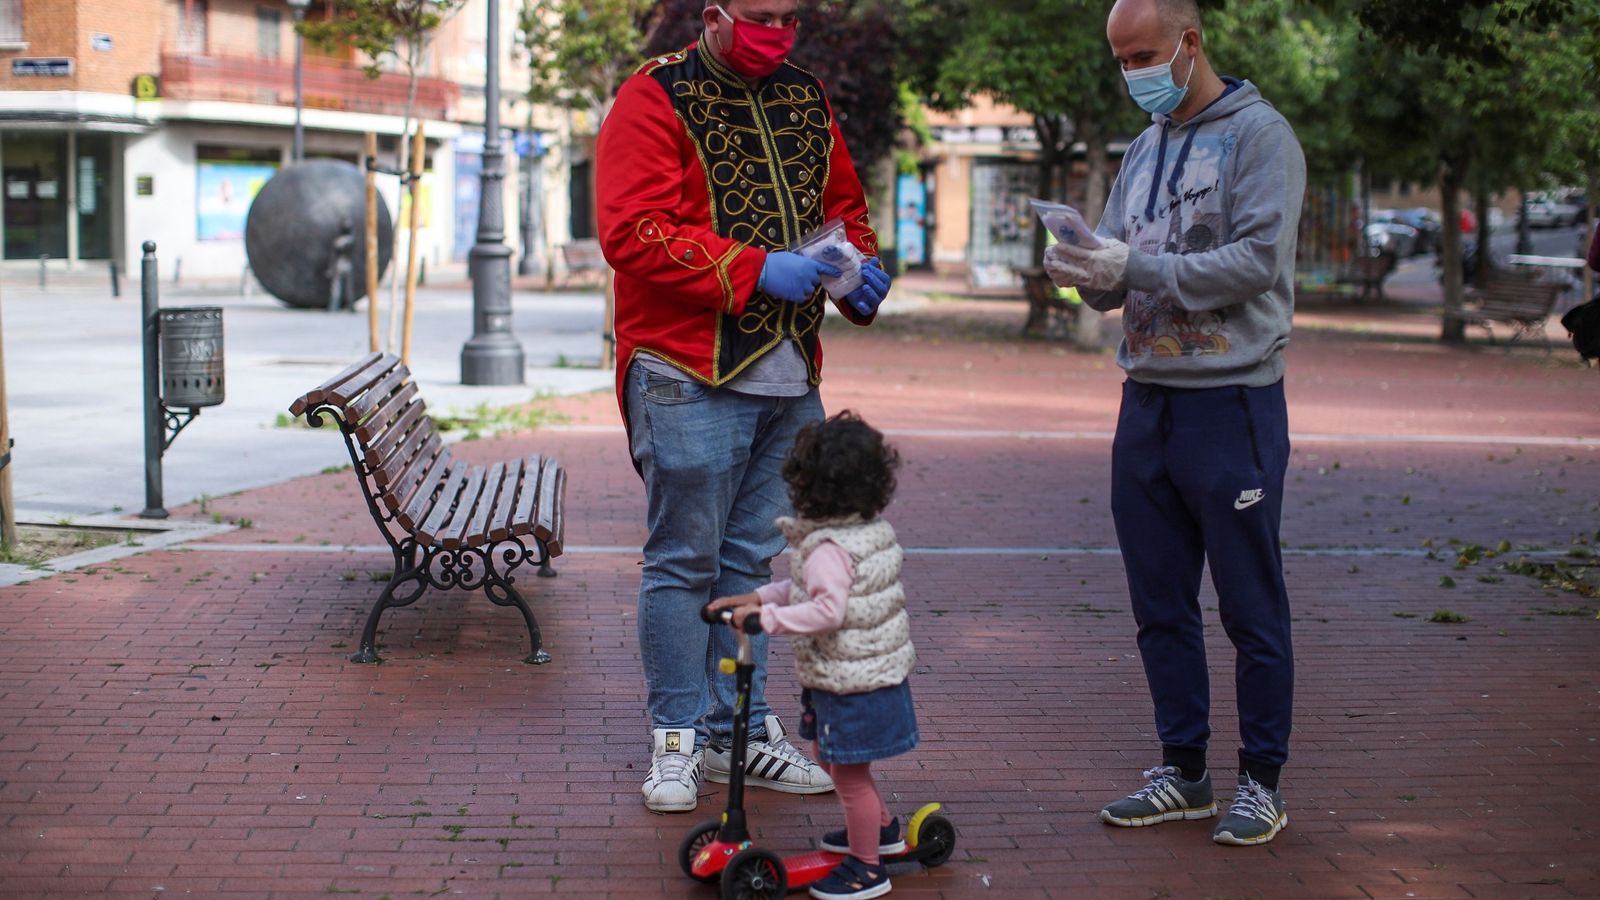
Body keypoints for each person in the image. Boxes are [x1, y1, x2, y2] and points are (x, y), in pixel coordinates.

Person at [595, 0, 894, 814]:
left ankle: (741, 729)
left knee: (751, 566)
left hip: (790, 375)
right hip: (685, 366)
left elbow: (844, 208)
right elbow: (631, 229)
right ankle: (676, 740)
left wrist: (858, 272)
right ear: (715, 16)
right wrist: (755, 269)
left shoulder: (806, 94)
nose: (779, 32)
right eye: (762, 15)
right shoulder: (654, 94)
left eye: (791, 16)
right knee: (683, 562)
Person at [1042, 0, 1306, 846]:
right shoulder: (1145, 147)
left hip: (1231, 402)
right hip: (1147, 398)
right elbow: (1122, 271)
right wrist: (1086, 268)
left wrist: (1137, 264)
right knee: (1159, 602)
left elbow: (1256, 261)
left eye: (1144, 56)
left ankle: (1261, 782)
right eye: (1121, 61)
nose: (1133, 75)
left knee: (1250, 606)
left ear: (1190, 43)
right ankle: (1184, 771)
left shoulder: (1262, 137)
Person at [708, 411, 916, 900]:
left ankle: (867, 868)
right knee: (831, 756)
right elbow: (810, 587)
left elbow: (826, 609)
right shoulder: (863, 531)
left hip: (852, 683)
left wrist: (767, 620)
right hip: (861, 674)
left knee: (849, 776)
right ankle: (882, 831)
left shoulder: (827, 548)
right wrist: (757, 597)